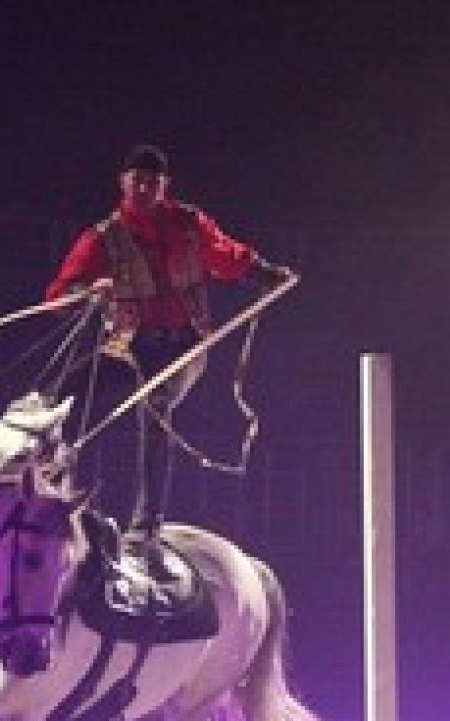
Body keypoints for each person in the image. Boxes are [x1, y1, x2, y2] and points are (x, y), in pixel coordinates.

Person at [46, 143, 297, 572]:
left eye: (152, 182)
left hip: (183, 346)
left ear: (164, 186)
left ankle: (145, 525)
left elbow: (225, 255)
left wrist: (265, 274)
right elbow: (58, 296)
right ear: (123, 183)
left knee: (155, 406)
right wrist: (86, 292)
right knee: (59, 397)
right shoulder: (103, 238)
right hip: (127, 347)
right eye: (137, 180)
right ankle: (47, 493)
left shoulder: (188, 224)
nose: (144, 188)